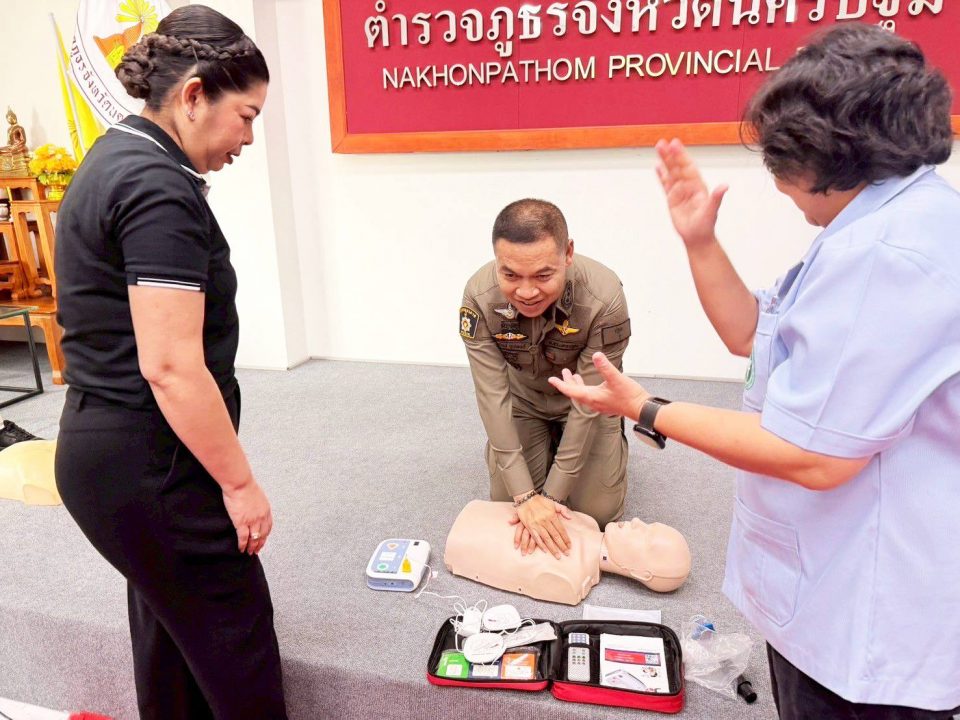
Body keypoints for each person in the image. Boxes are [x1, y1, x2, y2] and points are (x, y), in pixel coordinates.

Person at [549, 24, 960, 720]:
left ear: (824, 154)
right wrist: (699, 239)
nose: (776, 181)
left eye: (780, 159)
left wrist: (645, 408)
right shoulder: (885, 224)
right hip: (840, 578)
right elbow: (751, 331)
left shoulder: (885, 256)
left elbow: (812, 454)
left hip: (869, 620)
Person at [53, 6, 287, 719]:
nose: (248, 138)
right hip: (148, 464)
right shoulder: (156, 187)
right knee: (237, 644)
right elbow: (172, 367)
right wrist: (240, 485)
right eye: (245, 116)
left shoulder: (113, 156)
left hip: (108, 453)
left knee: (172, 641)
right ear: (193, 96)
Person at [460, 199, 632, 561]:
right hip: (524, 401)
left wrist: (551, 496)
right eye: (510, 275)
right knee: (505, 505)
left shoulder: (605, 297)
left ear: (568, 254)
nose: (526, 292)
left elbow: (588, 399)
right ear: (496, 260)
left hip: (589, 403)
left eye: (542, 276)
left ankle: (607, 443)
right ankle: (540, 448)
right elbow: (492, 395)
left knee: (597, 515)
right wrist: (525, 496)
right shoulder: (478, 296)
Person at [444, 500, 691, 605]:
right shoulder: (588, 522)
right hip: (474, 524)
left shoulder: (571, 578)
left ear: (642, 573)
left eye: (646, 537)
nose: (637, 522)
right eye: (648, 526)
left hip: (461, 542)